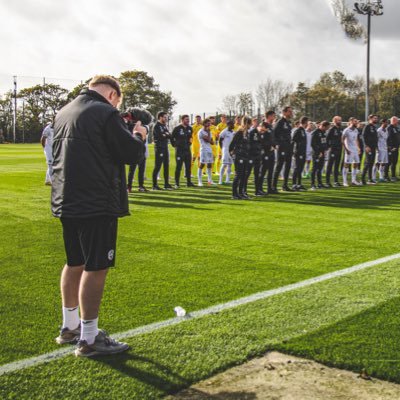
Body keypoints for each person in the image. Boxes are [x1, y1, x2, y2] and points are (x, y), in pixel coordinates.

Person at [51, 75, 146, 357]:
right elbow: (131, 154)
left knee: (74, 261)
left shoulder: (64, 110)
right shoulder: (105, 111)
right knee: (96, 266)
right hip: (96, 201)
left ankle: (70, 327)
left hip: (67, 198)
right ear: (113, 94)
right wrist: (139, 134)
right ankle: (89, 338)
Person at [272, 106, 294, 191]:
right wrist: (277, 144)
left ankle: (285, 185)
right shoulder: (280, 122)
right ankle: (273, 186)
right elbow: (274, 134)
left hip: (288, 147)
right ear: (284, 112)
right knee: (279, 166)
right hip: (282, 147)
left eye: (291, 111)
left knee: (288, 166)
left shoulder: (289, 122)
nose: (291, 113)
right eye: (289, 111)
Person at [230, 116, 251, 199]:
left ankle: (241, 193)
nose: (250, 126)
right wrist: (234, 155)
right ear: (246, 123)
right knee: (238, 175)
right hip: (239, 156)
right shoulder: (239, 132)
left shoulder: (247, 133)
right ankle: (234, 194)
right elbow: (232, 145)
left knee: (243, 176)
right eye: (249, 124)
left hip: (245, 156)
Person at [171, 115, 195, 188]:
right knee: (179, 167)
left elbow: (191, 138)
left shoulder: (190, 128)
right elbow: (172, 137)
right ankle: (176, 183)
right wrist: (175, 145)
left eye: (188, 119)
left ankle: (189, 182)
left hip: (187, 150)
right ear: (182, 120)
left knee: (188, 167)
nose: (188, 121)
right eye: (186, 119)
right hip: (179, 151)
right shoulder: (177, 128)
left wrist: (189, 143)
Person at [152, 112, 173, 190]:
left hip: (165, 147)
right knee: (157, 166)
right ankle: (154, 185)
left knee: (166, 166)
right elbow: (160, 136)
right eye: (164, 117)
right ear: (160, 117)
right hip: (159, 148)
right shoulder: (156, 126)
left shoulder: (164, 126)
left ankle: (166, 184)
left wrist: (166, 135)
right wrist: (166, 135)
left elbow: (168, 135)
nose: (166, 119)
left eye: (166, 117)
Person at [258, 111, 276, 194]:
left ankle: (270, 188)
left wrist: (274, 145)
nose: (274, 118)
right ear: (269, 116)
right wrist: (268, 147)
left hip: (271, 152)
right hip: (265, 152)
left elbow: (272, 138)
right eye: (273, 116)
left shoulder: (271, 126)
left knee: (271, 171)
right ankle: (259, 188)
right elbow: (261, 139)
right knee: (263, 170)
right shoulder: (263, 125)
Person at [342, 117, 362, 186]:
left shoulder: (356, 130)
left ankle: (353, 180)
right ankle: (344, 182)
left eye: (356, 121)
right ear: (350, 122)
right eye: (355, 121)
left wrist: (358, 148)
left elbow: (356, 140)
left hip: (355, 150)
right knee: (346, 165)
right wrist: (346, 149)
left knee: (356, 164)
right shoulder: (346, 130)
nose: (356, 123)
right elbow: (342, 140)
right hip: (349, 150)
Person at [310, 121, 330, 190]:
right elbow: (313, 144)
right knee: (314, 168)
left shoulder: (323, 133)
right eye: (327, 127)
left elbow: (324, 142)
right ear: (323, 126)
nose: (327, 129)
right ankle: (312, 184)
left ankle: (319, 183)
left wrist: (326, 149)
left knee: (320, 169)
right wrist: (318, 152)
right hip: (316, 154)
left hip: (323, 153)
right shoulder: (315, 133)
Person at [291, 116, 308, 191]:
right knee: (297, 168)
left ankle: (299, 184)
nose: (308, 123)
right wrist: (295, 150)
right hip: (298, 152)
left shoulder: (303, 130)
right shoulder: (298, 130)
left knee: (301, 168)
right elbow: (293, 140)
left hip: (303, 152)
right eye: (307, 122)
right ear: (305, 122)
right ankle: (294, 184)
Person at [247, 117, 263, 196]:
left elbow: (260, 143)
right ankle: (244, 191)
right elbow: (249, 143)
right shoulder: (251, 132)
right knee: (248, 173)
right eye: (255, 122)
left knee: (258, 173)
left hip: (258, 155)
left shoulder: (258, 133)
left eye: (257, 122)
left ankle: (257, 191)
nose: (257, 123)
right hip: (251, 155)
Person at [325, 116, 343, 187]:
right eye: (339, 120)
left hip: (339, 149)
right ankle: (327, 182)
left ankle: (336, 181)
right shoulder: (332, 129)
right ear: (335, 121)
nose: (340, 122)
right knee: (330, 166)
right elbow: (327, 139)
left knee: (336, 166)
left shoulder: (340, 129)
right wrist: (329, 147)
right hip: (333, 150)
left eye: (341, 120)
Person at [361, 114, 379, 185]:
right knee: (367, 163)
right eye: (374, 118)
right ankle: (362, 179)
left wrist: (377, 146)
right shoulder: (367, 126)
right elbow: (363, 136)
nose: (376, 119)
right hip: (369, 147)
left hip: (373, 147)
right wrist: (366, 146)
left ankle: (370, 179)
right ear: (370, 119)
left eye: (376, 118)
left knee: (371, 163)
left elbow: (375, 138)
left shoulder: (374, 127)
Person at [197, 119, 215, 186]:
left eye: (210, 123)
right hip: (203, 149)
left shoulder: (209, 131)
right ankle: (200, 181)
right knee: (202, 164)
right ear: (204, 124)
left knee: (210, 164)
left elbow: (212, 142)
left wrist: (209, 136)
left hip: (209, 149)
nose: (209, 125)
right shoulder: (201, 132)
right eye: (208, 123)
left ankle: (210, 181)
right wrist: (209, 135)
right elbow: (208, 140)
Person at [218, 120, 235, 184]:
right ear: (228, 125)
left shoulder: (233, 132)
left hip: (231, 151)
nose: (233, 125)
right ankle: (220, 180)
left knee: (230, 165)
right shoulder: (224, 132)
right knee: (224, 164)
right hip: (225, 150)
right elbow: (220, 140)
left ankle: (227, 180)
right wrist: (222, 148)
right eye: (232, 124)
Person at [40, 120, 54, 185]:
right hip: (49, 149)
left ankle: (47, 180)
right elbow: (43, 139)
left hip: (55, 148)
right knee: (51, 165)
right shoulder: (48, 128)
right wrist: (45, 148)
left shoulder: (59, 126)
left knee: (52, 165)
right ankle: (53, 182)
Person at [387, 116, 400, 181]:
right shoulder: (390, 128)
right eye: (397, 120)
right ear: (393, 120)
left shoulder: (396, 128)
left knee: (395, 162)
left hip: (396, 148)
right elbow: (389, 138)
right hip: (392, 148)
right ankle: (386, 176)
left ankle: (393, 176)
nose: (398, 121)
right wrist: (391, 147)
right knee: (390, 162)